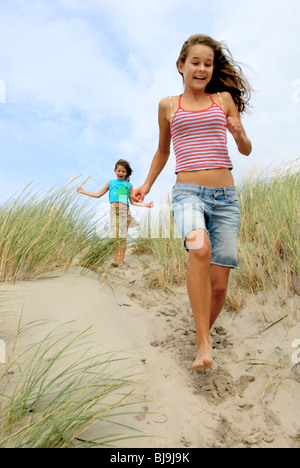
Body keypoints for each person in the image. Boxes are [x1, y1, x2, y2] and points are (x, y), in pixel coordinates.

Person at [132, 34, 252, 371]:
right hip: (188, 194)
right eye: (195, 62)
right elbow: (162, 151)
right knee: (199, 248)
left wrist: (239, 132)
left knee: (218, 286)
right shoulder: (168, 106)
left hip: (226, 199)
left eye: (208, 63)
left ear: (213, 69)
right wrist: (145, 185)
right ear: (181, 66)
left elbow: (244, 148)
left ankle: (202, 331)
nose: (201, 68)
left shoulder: (223, 99)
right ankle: (203, 341)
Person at [77, 159, 154, 267]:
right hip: (114, 210)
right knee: (115, 236)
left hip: (124, 211)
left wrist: (146, 204)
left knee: (122, 238)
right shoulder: (111, 182)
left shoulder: (128, 185)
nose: (121, 173)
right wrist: (83, 191)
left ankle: (121, 262)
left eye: (123, 171)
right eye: (119, 171)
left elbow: (132, 202)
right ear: (115, 170)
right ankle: (116, 260)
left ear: (126, 173)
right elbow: (98, 194)